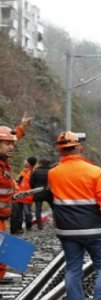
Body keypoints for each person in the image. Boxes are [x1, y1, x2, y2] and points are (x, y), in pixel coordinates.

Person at [48, 131, 101, 299]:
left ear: (60, 151)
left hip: (67, 230)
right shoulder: (95, 171)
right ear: (80, 148)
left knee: (72, 269)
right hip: (94, 230)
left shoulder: (53, 173)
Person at [0, 113, 32, 282]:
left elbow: (11, 139)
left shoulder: (4, 160)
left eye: (12, 143)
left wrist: (21, 127)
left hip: (2, 217)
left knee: (3, 256)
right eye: (7, 144)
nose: (11, 147)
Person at [10, 156, 37, 234]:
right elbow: (17, 181)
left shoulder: (33, 172)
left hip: (27, 196)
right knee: (18, 213)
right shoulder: (24, 171)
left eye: (27, 161)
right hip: (19, 195)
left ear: (30, 163)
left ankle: (29, 226)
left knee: (27, 213)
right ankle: (19, 228)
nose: (25, 162)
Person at [29, 158, 54, 230]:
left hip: (38, 192)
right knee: (54, 208)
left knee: (38, 210)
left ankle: (40, 226)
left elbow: (31, 182)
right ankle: (56, 224)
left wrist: (35, 188)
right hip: (49, 192)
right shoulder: (51, 171)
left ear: (40, 164)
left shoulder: (35, 172)